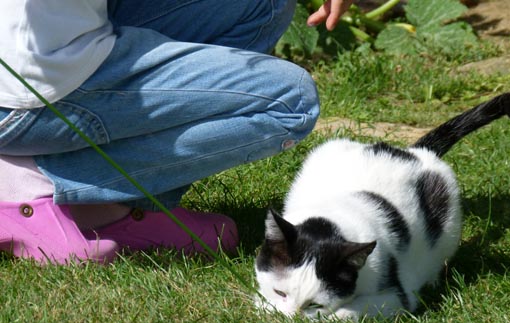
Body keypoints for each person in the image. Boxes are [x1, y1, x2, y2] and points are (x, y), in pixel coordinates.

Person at [0, 0, 354, 265]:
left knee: (262, 5)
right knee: (291, 103)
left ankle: (116, 206)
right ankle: (27, 182)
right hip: (24, 88)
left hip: (61, 31)